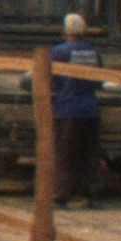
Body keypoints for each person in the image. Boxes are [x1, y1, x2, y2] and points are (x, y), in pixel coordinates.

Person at [48, 10, 107, 200]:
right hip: (90, 110)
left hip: (67, 110)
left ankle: (62, 193)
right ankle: (88, 192)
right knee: (88, 153)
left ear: (65, 31)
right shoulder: (93, 53)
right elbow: (99, 82)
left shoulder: (59, 52)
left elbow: (50, 80)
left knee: (65, 154)